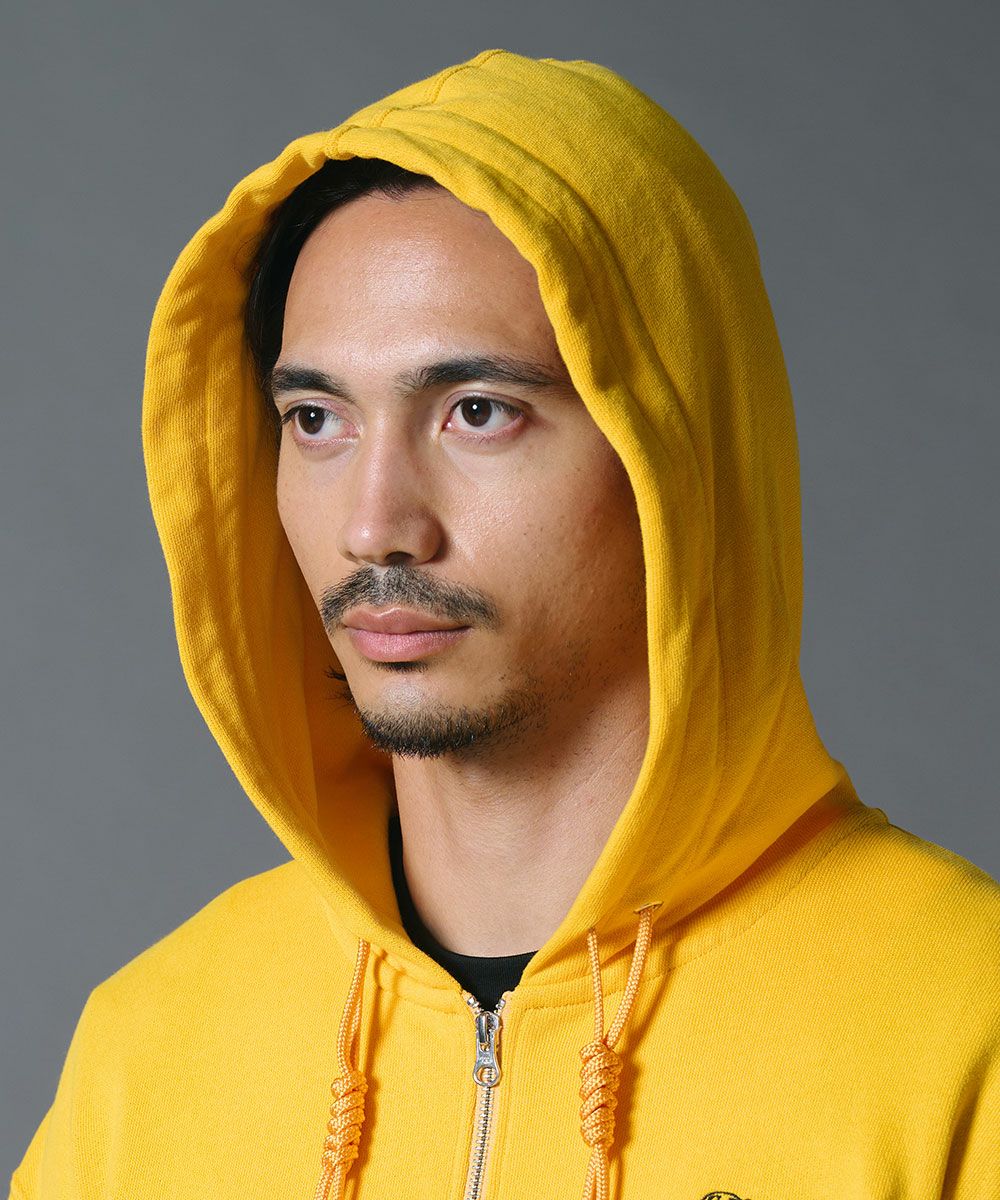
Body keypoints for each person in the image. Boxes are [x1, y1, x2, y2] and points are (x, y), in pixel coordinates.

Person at [9, 47, 998, 1200]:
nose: (373, 526)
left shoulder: (963, 1026)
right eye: (318, 419)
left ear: (676, 454)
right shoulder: (151, 1048)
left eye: (478, 412)